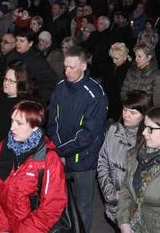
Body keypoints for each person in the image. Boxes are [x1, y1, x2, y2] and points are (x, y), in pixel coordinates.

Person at [47, 46, 107, 232]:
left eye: (71, 68)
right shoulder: (60, 86)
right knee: (59, 204)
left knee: (82, 208)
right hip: (60, 156)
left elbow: (87, 135)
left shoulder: (96, 94)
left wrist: (60, 151)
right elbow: (52, 121)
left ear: (83, 66)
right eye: (65, 67)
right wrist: (58, 149)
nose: (66, 71)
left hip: (83, 162)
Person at [0, 100, 67, 232]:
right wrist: (1, 229)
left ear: (35, 127)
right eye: (12, 121)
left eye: (19, 123)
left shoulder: (49, 160)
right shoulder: (1, 150)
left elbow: (52, 207)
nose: (12, 127)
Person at [97, 91, 153, 229]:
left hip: (135, 208)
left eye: (133, 113)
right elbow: (102, 161)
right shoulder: (113, 130)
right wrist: (108, 191)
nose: (126, 115)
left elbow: (147, 178)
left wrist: (121, 196)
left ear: (145, 115)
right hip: (112, 202)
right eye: (125, 109)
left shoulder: (149, 140)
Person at [0, 63, 37, 158]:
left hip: (9, 157)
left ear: (21, 83)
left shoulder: (24, 107)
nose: (6, 83)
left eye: (11, 81)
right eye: (5, 79)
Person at [103, 42, 131, 121]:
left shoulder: (129, 70)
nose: (114, 61)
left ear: (125, 57)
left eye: (117, 58)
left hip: (121, 102)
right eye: (112, 58)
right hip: (109, 100)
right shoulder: (109, 67)